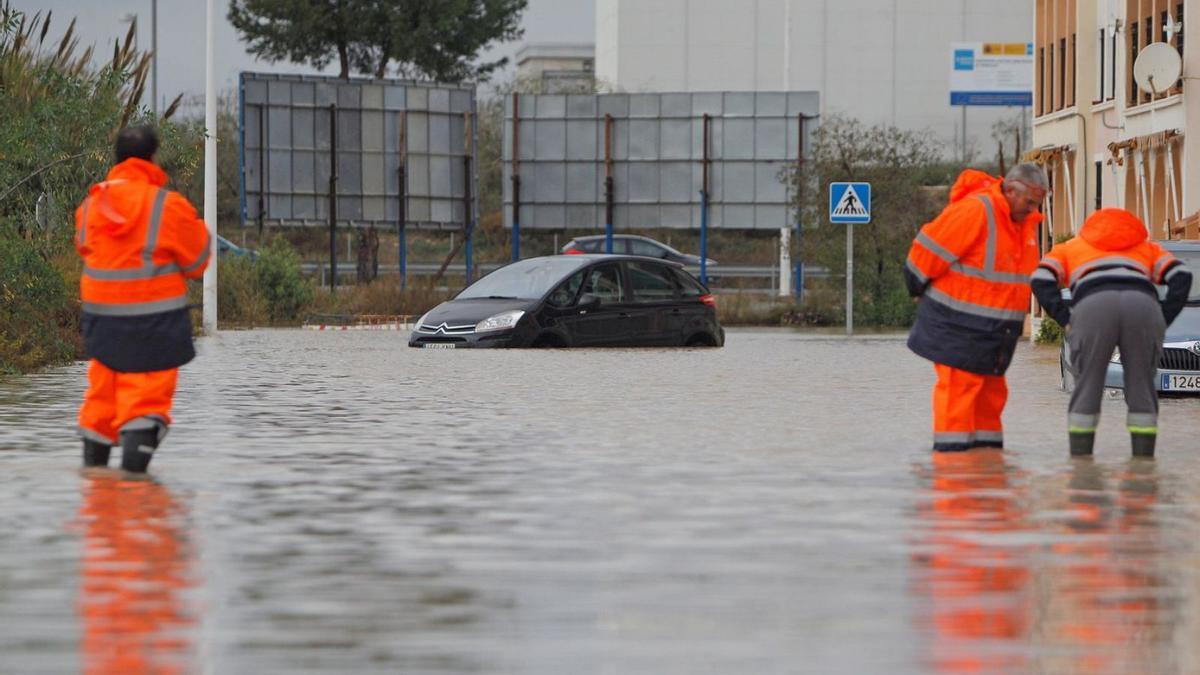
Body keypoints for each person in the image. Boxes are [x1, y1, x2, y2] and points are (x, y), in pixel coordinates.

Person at [75, 125, 211, 472]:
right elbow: (198, 263)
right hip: (154, 324)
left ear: (117, 159)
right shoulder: (169, 206)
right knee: (144, 403)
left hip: (101, 324)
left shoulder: (91, 205)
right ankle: (136, 493)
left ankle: (96, 488)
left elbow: (85, 249)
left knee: (101, 400)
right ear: (152, 158)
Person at [904, 164, 1048, 452]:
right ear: (1010, 190)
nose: (1033, 210)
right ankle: (952, 471)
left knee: (991, 397)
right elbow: (923, 257)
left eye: (1037, 204)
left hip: (996, 333)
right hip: (958, 327)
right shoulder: (976, 210)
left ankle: (987, 471)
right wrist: (917, 291)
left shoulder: (1023, 226)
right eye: (1029, 202)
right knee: (959, 393)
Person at [1031, 208, 1192, 457]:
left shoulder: (1072, 247)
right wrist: (1163, 317)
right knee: (1141, 385)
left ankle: (1082, 465)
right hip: (1142, 305)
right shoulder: (1146, 248)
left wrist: (1065, 319)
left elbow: (1040, 278)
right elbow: (1181, 276)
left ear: (1089, 228)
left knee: (1088, 384)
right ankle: (1143, 463)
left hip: (1093, 306)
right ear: (1132, 227)